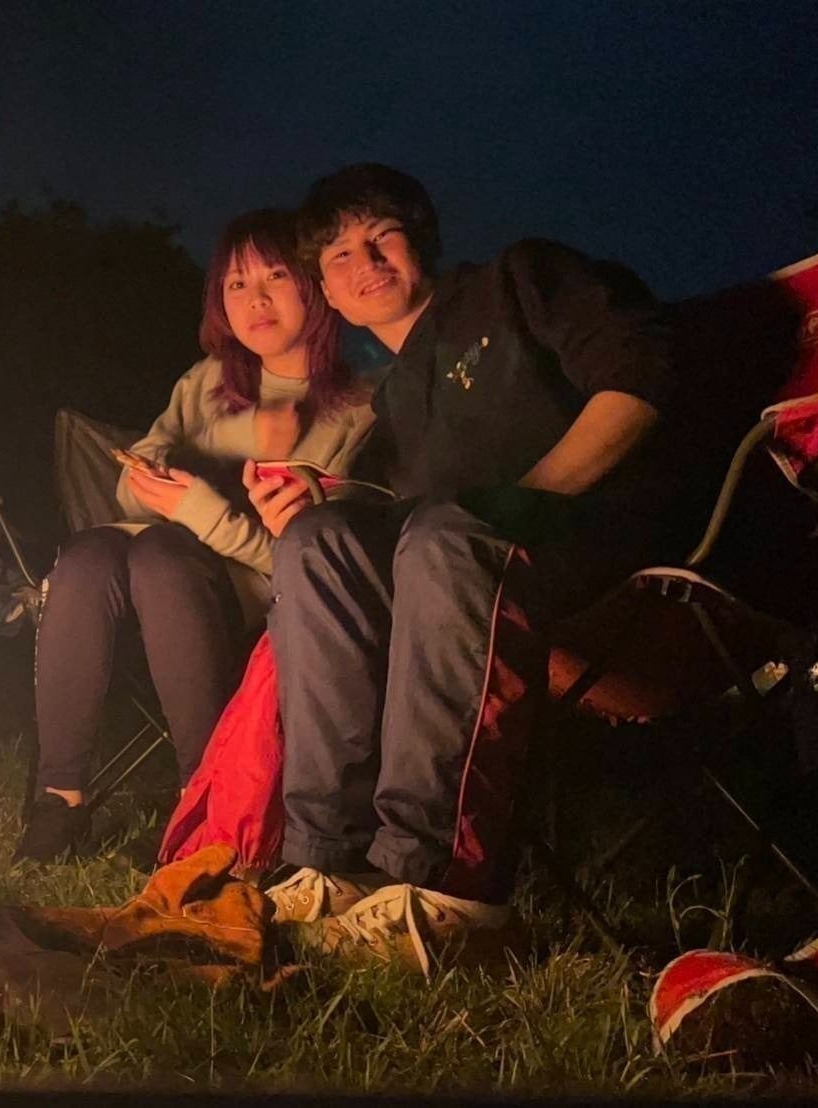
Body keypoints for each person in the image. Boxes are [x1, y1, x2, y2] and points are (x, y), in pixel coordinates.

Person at [244, 164, 675, 963]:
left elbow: (640, 373)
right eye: (339, 255)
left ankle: (439, 884)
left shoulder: (518, 281)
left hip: (601, 562)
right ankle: (330, 863)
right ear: (328, 293)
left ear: (423, 240)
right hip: (455, 574)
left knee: (447, 533)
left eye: (382, 235)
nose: (365, 261)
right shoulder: (396, 397)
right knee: (318, 542)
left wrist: (530, 498)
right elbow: (392, 525)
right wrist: (319, 499)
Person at [16, 208, 377, 861]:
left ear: (313, 283)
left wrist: (201, 511)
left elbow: (313, 563)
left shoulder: (355, 410)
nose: (255, 299)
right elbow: (129, 486)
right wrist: (164, 476)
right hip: (140, 575)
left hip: (257, 598)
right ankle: (59, 799)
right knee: (87, 555)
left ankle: (208, 803)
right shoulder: (206, 383)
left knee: (160, 555)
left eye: (274, 276)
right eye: (236, 284)